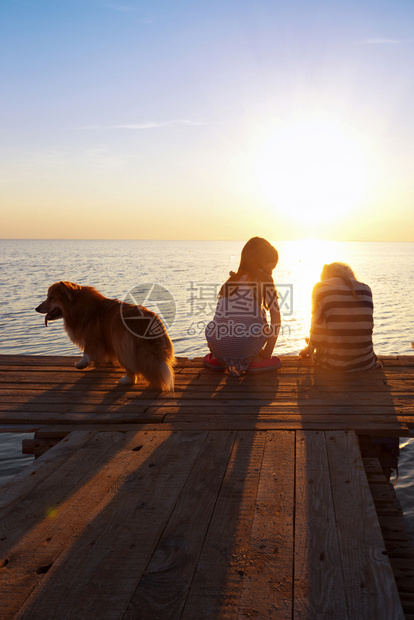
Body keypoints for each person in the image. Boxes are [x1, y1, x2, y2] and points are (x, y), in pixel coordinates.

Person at [203, 237, 282, 376]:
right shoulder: (265, 280)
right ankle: (256, 360)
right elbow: (276, 319)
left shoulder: (231, 280)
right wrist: (268, 354)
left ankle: (216, 359)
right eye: (271, 266)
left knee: (222, 325)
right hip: (246, 346)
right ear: (262, 261)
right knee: (263, 324)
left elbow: (220, 316)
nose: (272, 271)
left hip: (218, 346)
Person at [299, 262, 380, 371]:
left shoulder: (320, 288)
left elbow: (317, 332)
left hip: (334, 365)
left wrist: (309, 349)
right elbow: (364, 328)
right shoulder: (366, 289)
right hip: (366, 363)